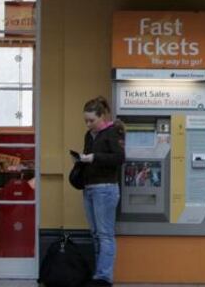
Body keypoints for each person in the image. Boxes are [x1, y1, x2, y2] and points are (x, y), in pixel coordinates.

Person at [77, 97, 125, 287]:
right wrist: (81, 160)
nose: (88, 125)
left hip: (105, 188)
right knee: (96, 233)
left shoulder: (112, 132)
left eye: (92, 121)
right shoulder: (89, 135)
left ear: (102, 117)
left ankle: (104, 277)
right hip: (90, 187)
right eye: (86, 121)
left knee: (105, 234)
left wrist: (94, 158)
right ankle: (99, 274)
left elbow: (120, 158)